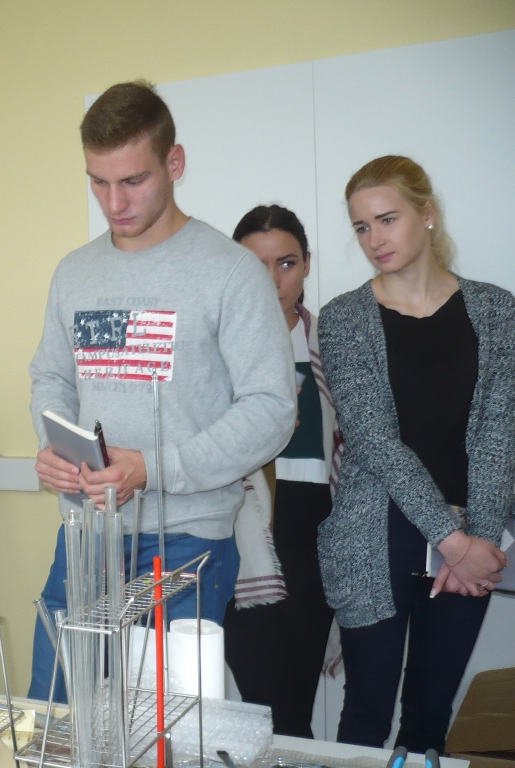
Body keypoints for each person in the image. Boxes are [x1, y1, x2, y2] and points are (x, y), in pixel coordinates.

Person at [27, 81, 297, 702]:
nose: (114, 202)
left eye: (133, 181)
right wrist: (56, 444)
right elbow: (51, 376)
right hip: (88, 535)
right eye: (98, 182)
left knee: (162, 728)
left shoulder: (230, 272)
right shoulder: (74, 272)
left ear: (174, 163)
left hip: (186, 542)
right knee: (58, 714)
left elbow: (271, 410)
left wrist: (153, 468)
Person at [317, 156, 514, 752]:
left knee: (430, 716)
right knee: (366, 715)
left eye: (387, 219)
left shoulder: (496, 310)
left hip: (470, 531)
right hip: (373, 536)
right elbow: (374, 441)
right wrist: (453, 544)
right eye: (361, 227)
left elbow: (499, 435)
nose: (374, 239)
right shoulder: (343, 318)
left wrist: (477, 540)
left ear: (426, 214)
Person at [222, 205, 338, 737]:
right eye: (255, 265)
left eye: (286, 263)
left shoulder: (330, 345)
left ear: (307, 264)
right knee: (268, 708)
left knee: (294, 711)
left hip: (315, 536)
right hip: (244, 539)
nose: (272, 281)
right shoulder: (216, 348)